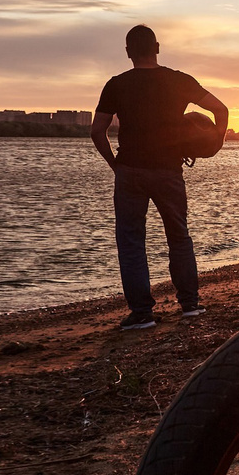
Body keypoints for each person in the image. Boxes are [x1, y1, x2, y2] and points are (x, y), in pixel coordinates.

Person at [93, 25, 229, 331]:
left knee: (131, 241)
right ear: (157, 47)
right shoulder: (179, 80)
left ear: (128, 52)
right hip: (169, 170)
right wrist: (215, 143)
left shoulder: (116, 84)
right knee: (179, 236)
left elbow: (96, 130)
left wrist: (115, 165)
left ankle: (142, 314)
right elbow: (221, 109)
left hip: (130, 170)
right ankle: (190, 305)